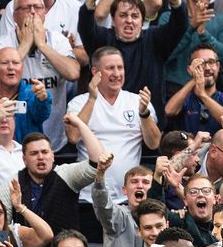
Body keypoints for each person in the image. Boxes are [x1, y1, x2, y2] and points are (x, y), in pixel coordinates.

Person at [0, 133, 104, 247]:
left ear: (52, 156)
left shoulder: (66, 174)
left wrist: (79, 124)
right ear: (24, 159)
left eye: (45, 152)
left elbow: (98, 162)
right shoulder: (12, 184)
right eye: (34, 153)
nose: (41, 157)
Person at [80, 0, 185, 129]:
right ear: (113, 20)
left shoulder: (155, 39)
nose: (129, 20)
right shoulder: (102, 39)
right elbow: (85, 26)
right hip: (107, 123)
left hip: (148, 123)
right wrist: (91, 1)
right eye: (123, 15)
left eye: (135, 16)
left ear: (142, 21)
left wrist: (176, 1)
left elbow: (180, 25)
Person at [67, 46, 161, 204]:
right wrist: (92, 99)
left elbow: (153, 143)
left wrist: (144, 113)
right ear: (96, 72)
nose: (117, 74)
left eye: (120, 68)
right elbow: (73, 137)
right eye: (110, 68)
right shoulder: (79, 102)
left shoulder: (136, 101)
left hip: (129, 199)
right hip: (89, 198)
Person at [0, 0, 79, 152]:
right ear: (14, 16)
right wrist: (25, 44)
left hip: (55, 141)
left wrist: (42, 46)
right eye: (26, 8)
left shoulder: (57, 40)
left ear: (44, 13)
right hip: (15, 141)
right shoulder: (2, 44)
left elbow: (73, 74)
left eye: (37, 8)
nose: (32, 12)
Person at [165, 43, 223, 135]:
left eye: (211, 62)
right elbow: (169, 111)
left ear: (218, 66)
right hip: (188, 148)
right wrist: (194, 79)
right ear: (190, 70)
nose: (207, 68)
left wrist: (202, 95)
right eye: (201, 64)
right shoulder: (185, 99)